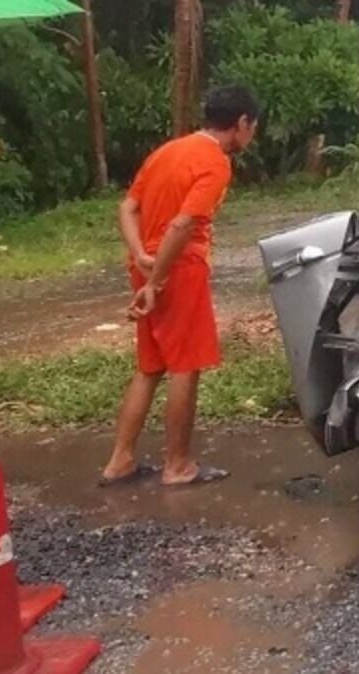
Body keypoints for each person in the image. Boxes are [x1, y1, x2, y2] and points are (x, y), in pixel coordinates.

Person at [99, 86, 259, 488]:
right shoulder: (215, 162)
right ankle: (178, 465)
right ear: (241, 123)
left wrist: (140, 257)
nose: (250, 136)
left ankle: (120, 460)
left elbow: (128, 207)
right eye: (251, 127)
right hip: (178, 269)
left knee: (150, 366)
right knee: (185, 366)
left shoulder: (167, 152)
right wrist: (157, 279)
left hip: (147, 265)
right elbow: (182, 225)